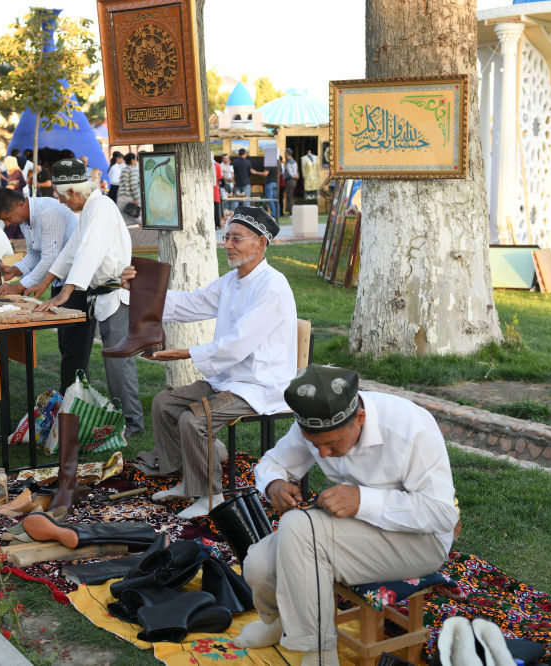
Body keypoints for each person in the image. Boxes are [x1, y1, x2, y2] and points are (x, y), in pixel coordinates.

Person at [236, 365, 457, 666]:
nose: (323, 454)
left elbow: (441, 515)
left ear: (361, 419)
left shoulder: (410, 427)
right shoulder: (317, 425)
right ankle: (278, 621)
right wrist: (274, 483)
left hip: (419, 541)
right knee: (258, 565)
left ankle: (319, 654)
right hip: (353, 530)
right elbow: (273, 462)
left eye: (333, 444)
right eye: (316, 446)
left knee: (299, 528)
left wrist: (362, 500)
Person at [130, 207, 297, 518]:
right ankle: (189, 479)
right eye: (226, 238)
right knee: (165, 402)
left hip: (258, 384)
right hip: (229, 377)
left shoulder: (272, 287)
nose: (228, 245)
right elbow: (191, 303)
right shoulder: (233, 281)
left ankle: (210, 497)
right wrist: (141, 288)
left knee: (194, 420)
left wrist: (184, 353)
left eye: (236, 239)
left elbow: (236, 345)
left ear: (260, 243)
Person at [30, 159, 145, 436]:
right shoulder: (92, 208)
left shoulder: (101, 208)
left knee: (118, 362)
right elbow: (72, 251)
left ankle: (132, 423)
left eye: (62, 198)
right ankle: (123, 418)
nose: (63, 204)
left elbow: (88, 252)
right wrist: (47, 281)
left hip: (116, 294)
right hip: (104, 293)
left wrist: (66, 291)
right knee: (113, 360)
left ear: (73, 193)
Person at [0, 187, 82, 390]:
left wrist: (19, 286)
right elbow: (34, 254)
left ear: (21, 204)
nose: (7, 223)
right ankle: (69, 398)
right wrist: (15, 269)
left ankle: (75, 400)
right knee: (65, 345)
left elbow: (51, 257)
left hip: (77, 282)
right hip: (60, 281)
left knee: (74, 348)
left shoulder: (48, 212)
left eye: (8, 217)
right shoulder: (24, 217)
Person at [117, 152, 140, 226]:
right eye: (135, 160)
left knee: (122, 221)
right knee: (139, 218)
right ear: (132, 160)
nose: (136, 161)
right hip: (129, 197)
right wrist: (136, 198)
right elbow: (134, 184)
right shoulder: (133, 169)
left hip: (121, 198)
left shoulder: (124, 170)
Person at [283, 148, 299, 216]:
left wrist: (293, 176)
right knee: (290, 196)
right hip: (293, 181)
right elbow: (296, 172)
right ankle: (292, 212)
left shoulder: (289, 162)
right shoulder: (294, 161)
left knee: (290, 197)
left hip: (289, 180)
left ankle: (292, 213)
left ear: (287, 154)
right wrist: (296, 176)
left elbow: (290, 173)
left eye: (285, 153)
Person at [212, 155, 223, 230]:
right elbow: (220, 177)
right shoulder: (217, 165)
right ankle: (217, 224)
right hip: (215, 189)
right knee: (216, 208)